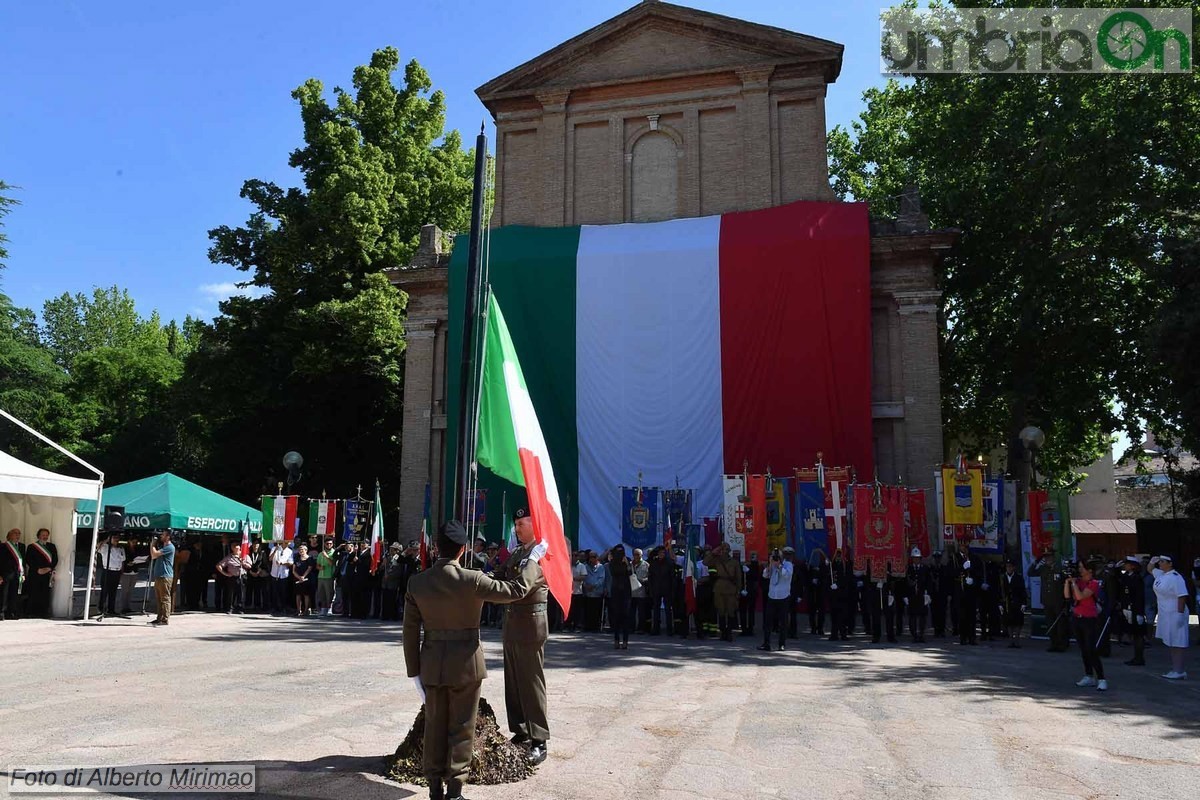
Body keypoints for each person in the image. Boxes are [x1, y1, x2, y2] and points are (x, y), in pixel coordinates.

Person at [403, 520, 537, 800]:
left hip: (431, 665)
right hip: (466, 664)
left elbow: (410, 633)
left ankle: (434, 788)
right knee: (462, 727)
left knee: (434, 725)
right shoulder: (473, 579)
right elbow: (515, 591)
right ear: (463, 550)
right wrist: (532, 561)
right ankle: (455, 791)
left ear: (437, 547)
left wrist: (414, 672)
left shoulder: (417, 582)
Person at [495, 507, 552, 767]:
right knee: (514, 681)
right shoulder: (520, 552)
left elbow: (521, 586)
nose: (516, 529)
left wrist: (533, 557)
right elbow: (500, 576)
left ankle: (539, 739)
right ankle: (520, 731)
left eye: (521, 524)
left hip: (530, 625)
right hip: (513, 623)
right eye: (516, 524)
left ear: (534, 524)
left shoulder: (541, 554)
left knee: (531, 681)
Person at [1066, 560, 1106, 691]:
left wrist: (1074, 584)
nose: (1080, 570)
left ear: (1090, 571)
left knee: (1091, 649)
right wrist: (1068, 582)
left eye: (1082, 568)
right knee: (1083, 649)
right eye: (1079, 567)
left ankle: (1101, 678)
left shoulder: (1093, 583)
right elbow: (1067, 596)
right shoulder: (1077, 582)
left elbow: (1080, 596)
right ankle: (1088, 675)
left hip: (1089, 619)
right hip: (1077, 618)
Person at [1152, 555, 1190, 679]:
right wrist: (1153, 561)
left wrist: (1179, 614)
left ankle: (1179, 670)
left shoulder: (1176, 578)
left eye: (1162, 562)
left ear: (1170, 563)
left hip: (1175, 612)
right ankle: (1175, 669)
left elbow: (1182, 596)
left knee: (1178, 640)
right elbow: (1149, 569)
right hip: (1165, 612)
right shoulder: (1162, 575)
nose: (1159, 564)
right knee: (1171, 641)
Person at [704, 541, 741, 642]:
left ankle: (729, 633)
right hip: (719, 588)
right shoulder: (716, 560)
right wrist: (714, 552)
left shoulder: (734, 562)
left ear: (729, 551)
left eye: (726, 550)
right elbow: (705, 562)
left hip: (730, 589)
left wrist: (739, 590)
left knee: (730, 612)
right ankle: (723, 632)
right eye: (723, 550)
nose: (724, 552)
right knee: (720, 611)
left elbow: (738, 578)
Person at [759, 548, 792, 651]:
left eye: (778, 556)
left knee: (783, 622)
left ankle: (782, 644)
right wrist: (770, 564)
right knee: (768, 621)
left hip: (783, 596)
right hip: (772, 596)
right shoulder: (772, 564)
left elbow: (786, 575)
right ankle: (766, 643)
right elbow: (765, 575)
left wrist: (779, 565)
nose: (776, 558)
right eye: (774, 556)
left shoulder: (788, 565)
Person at [1116, 556, 1147, 666]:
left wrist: (1139, 612)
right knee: (1133, 633)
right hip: (1127, 608)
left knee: (1138, 633)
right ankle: (1136, 656)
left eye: (1127, 564)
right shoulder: (1126, 576)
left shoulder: (1137, 578)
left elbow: (1139, 596)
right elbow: (1117, 578)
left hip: (1135, 608)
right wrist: (1117, 566)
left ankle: (1139, 657)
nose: (1125, 565)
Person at [22, 528, 57, 618]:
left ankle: (44, 612)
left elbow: (55, 559)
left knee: (45, 593)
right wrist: (37, 569)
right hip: (35, 573)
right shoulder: (32, 546)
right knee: (33, 592)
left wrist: (49, 568)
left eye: (46, 535)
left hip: (47, 573)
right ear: (38, 536)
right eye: (43, 535)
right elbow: (28, 559)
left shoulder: (51, 546)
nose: (45, 537)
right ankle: (31, 612)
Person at [606, 544, 633, 649]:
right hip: (616, 590)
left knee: (626, 616)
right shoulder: (612, 562)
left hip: (626, 590)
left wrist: (627, 565)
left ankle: (625, 641)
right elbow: (614, 573)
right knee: (616, 616)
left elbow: (630, 573)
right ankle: (616, 640)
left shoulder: (627, 560)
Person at [95, 531, 126, 620]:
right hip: (107, 571)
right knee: (104, 591)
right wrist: (106, 540)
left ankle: (111, 609)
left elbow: (122, 561)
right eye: (114, 538)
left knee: (113, 592)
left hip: (116, 572)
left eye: (117, 538)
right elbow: (97, 546)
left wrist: (121, 572)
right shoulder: (105, 547)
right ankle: (101, 609)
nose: (116, 539)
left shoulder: (121, 548)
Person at [149, 531, 176, 626]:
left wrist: (152, 544)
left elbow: (154, 554)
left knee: (165, 598)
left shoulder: (170, 547)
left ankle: (165, 619)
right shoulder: (163, 547)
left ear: (168, 537)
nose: (161, 536)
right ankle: (159, 617)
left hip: (165, 576)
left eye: (163, 534)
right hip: (159, 575)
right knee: (159, 598)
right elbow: (153, 555)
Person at [647, 546, 674, 636]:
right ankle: (656, 629)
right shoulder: (654, 563)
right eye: (659, 553)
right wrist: (651, 588)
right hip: (656, 589)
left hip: (667, 589)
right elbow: (650, 577)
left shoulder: (669, 563)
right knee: (656, 609)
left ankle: (669, 629)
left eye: (663, 553)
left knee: (667, 609)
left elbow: (672, 577)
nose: (661, 554)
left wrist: (672, 589)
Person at [1000, 558, 1027, 647]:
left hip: (1017, 602)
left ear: (1014, 567)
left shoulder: (1019, 577)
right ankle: (1011, 640)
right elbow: (1000, 591)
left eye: (1010, 567)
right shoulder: (1002, 577)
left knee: (1018, 621)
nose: (1009, 568)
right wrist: (1000, 603)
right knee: (1008, 621)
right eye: (1007, 567)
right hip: (1007, 603)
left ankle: (1017, 640)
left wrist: (1023, 603)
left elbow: (1023, 591)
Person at [216, 542, 249, 614]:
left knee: (241, 593)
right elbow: (218, 566)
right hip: (232, 577)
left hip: (242, 576)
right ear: (232, 549)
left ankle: (240, 608)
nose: (237, 549)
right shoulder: (229, 557)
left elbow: (250, 566)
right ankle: (230, 608)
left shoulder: (245, 556)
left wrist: (243, 563)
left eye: (238, 548)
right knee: (231, 594)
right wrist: (225, 574)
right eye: (235, 548)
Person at [0, 528, 25, 620]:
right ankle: (2, 612)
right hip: (6, 573)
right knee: (4, 593)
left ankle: (12, 612)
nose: (17, 535)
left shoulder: (22, 546)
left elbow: (23, 561)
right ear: (9, 535)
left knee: (15, 594)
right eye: (15, 533)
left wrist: (23, 573)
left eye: (19, 533)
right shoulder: (3, 546)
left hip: (17, 573)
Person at [907, 548, 930, 643]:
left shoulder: (925, 569)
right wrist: (905, 596)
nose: (916, 560)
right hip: (912, 596)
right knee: (912, 616)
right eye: (914, 558)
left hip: (922, 595)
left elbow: (929, 582)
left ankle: (921, 634)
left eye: (918, 558)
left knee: (922, 616)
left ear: (920, 559)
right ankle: (914, 634)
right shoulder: (909, 569)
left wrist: (928, 594)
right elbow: (905, 583)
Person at [581, 550, 606, 633]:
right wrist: (586, 585)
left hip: (597, 592)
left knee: (596, 611)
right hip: (587, 593)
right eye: (591, 557)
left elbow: (601, 579)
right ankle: (588, 626)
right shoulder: (585, 567)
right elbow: (583, 578)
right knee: (588, 611)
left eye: (594, 557)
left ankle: (596, 627)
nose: (592, 559)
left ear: (597, 557)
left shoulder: (601, 567)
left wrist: (593, 586)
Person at [270, 539, 295, 615]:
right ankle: (274, 608)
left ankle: (283, 608)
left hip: (284, 574)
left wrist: (283, 563)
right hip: (275, 573)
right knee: (274, 592)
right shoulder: (274, 548)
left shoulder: (290, 551)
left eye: (288, 543)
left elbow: (291, 563)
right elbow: (270, 559)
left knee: (283, 592)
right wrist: (275, 551)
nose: (287, 544)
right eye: (286, 542)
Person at [740, 551, 761, 637]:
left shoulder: (755, 565)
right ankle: (743, 628)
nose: (753, 557)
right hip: (743, 589)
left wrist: (748, 571)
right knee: (742, 610)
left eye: (754, 555)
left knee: (751, 610)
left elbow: (756, 576)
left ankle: (750, 628)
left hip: (752, 590)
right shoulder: (742, 563)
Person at [315, 539, 337, 617]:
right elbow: (317, 565)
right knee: (321, 593)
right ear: (324, 544)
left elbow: (332, 563)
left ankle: (329, 609)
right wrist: (319, 567)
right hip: (321, 576)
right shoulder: (321, 553)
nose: (329, 545)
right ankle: (323, 609)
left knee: (329, 593)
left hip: (329, 576)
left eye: (330, 544)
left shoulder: (334, 553)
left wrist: (327, 556)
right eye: (327, 543)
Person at [291, 544, 316, 616]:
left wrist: (303, 577)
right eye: (299, 550)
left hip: (306, 579)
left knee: (306, 595)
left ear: (306, 550)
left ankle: (306, 610)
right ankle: (298, 610)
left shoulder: (309, 558)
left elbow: (309, 568)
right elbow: (293, 570)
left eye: (302, 549)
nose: (301, 551)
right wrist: (299, 577)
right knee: (298, 595)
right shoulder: (297, 559)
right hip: (297, 579)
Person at [807, 551, 827, 635]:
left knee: (821, 610)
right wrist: (811, 580)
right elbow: (806, 577)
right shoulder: (809, 565)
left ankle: (820, 628)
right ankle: (813, 628)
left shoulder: (824, 566)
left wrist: (819, 581)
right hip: (811, 590)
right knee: (812, 610)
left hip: (821, 590)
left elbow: (826, 576)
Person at [631, 548, 650, 633]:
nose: (636, 556)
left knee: (641, 612)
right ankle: (631, 627)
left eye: (638, 554)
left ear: (641, 555)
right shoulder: (630, 564)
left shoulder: (646, 565)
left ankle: (641, 628)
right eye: (635, 554)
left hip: (641, 591)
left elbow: (650, 577)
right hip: (631, 591)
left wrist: (643, 580)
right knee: (631, 611)